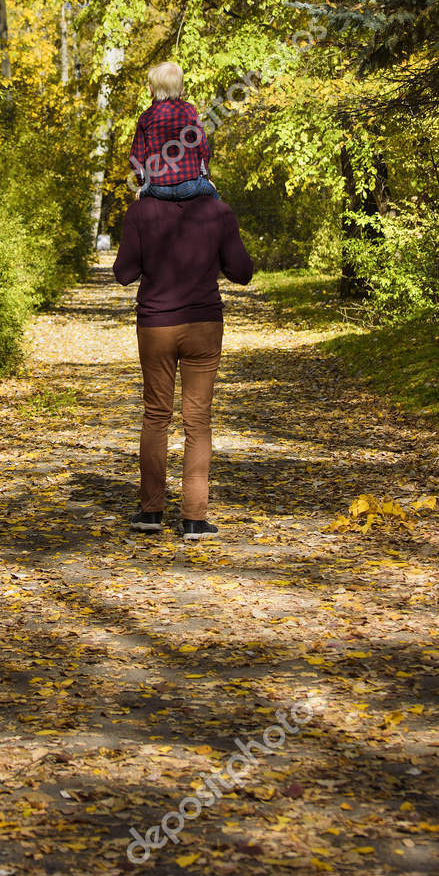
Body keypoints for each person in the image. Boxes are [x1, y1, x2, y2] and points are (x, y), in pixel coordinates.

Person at [113, 186, 253, 541]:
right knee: (198, 419)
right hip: (203, 326)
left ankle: (150, 512)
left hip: (156, 325)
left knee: (156, 415)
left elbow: (124, 273)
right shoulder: (219, 211)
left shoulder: (140, 212)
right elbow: (242, 271)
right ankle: (193, 518)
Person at [129, 61, 218, 200]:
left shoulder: (145, 117)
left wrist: (143, 184)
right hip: (190, 185)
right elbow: (203, 149)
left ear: (150, 90)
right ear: (182, 89)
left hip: (157, 188)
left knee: (141, 197)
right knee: (213, 194)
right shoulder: (189, 111)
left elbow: (136, 158)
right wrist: (205, 177)